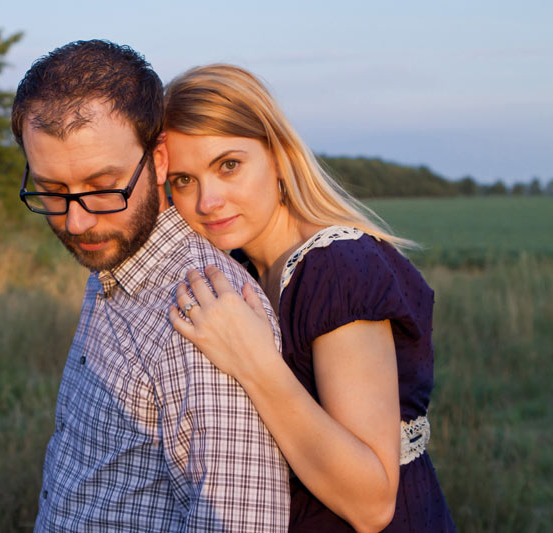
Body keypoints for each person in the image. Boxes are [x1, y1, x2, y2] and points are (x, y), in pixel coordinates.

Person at [163, 64, 456, 532]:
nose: (208, 200)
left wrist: (252, 360)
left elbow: (371, 502)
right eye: (183, 180)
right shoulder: (241, 272)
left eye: (228, 165)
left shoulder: (336, 267)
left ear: (277, 155)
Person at [11, 42, 290, 532]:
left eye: (103, 186)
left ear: (159, 160)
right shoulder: (115, 259)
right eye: (52, 190)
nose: (77, 222)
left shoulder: (202, 314)